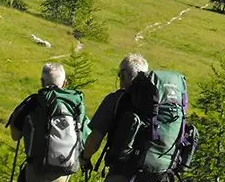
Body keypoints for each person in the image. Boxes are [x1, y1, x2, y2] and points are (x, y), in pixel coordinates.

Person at [82, 53, 192, 182]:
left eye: (119, 76)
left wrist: (85, 158)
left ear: (123, 75)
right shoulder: (163, 103)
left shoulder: (117, 99)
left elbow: (95, 139)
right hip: (162, 172)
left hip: (125, 171)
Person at [7, 62, 88, 182]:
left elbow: (15, 136)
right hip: (63, 172)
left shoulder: (33, 103)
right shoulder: (75, 104)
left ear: (42, 82)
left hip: (36, 170)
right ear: (65, 83)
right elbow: (85, 136)